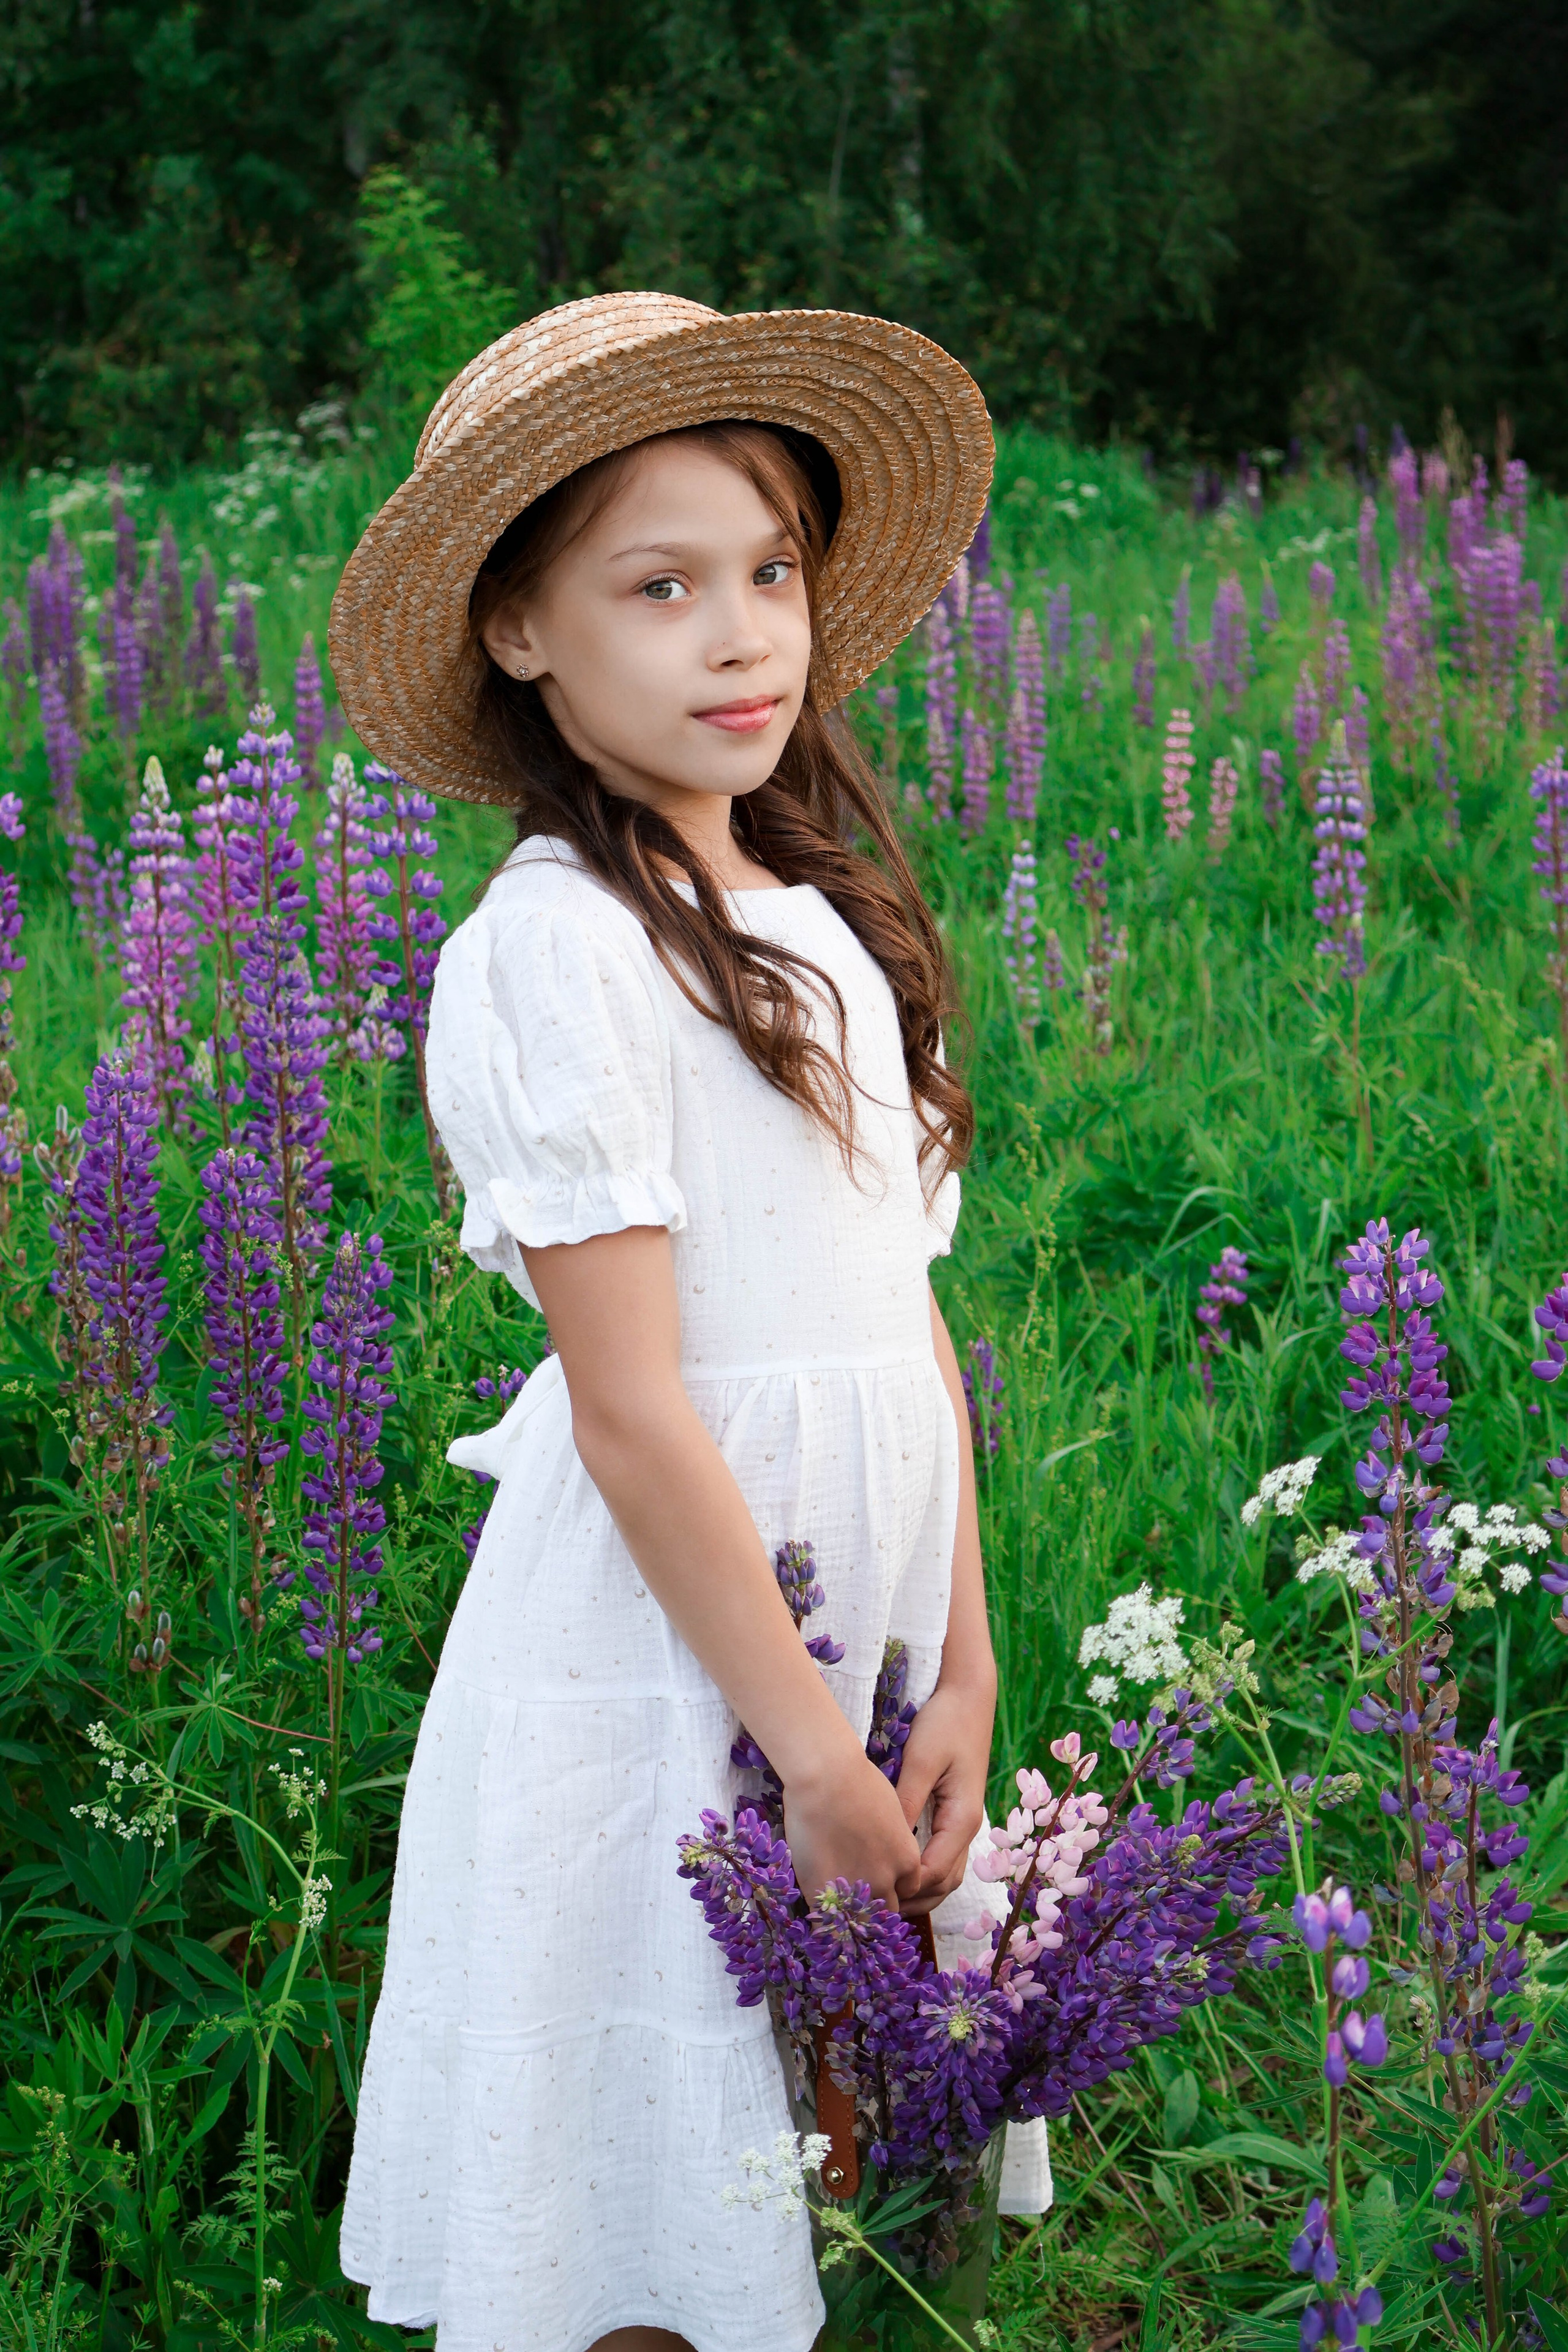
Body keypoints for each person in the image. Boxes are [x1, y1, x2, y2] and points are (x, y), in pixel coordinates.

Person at [329, 292, 1048, 2352]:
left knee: (804, 2157)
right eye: (660, 587)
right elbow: (635, 1412)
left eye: (769, 573)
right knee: (643, 2174)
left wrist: (962, 1669)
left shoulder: (818, 921)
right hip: (662, 1646)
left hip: (872, 1626)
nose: (741, 634)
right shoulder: (553, 950)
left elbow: (909, 1323)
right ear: (524, 634)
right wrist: (811, 1746)